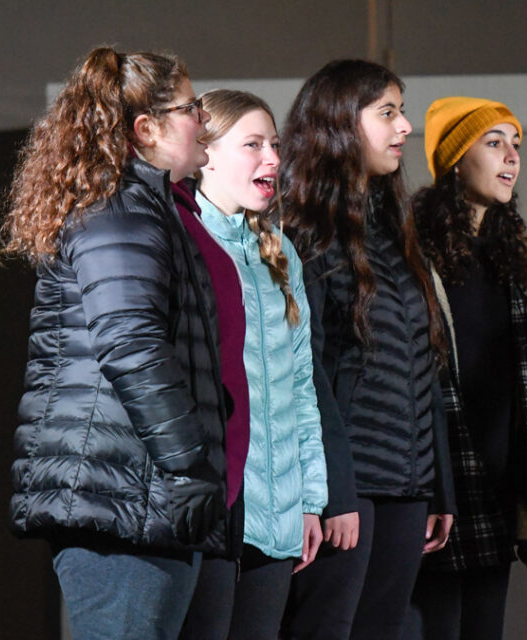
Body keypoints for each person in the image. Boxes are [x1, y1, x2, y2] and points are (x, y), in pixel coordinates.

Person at [1, 47, 238, 640]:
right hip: (122, 502)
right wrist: (188, 467)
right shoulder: (119, 212)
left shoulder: (145, 209)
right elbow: (131, 346)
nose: (204, 121)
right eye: (191, 109)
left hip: (139, 496)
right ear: (147, 129)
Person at [277, 59, 456, 640]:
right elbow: (311, 379)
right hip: (348, 489)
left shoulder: (396, 230)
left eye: (401, 112)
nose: (405, 127)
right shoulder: (305, 231)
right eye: (387, 113)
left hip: (407, 485)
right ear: (338, 124)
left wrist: (438, 485)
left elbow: (424, 362)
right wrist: (334, 494)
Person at [404, 97, 527, 640]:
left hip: (497, 482)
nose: (511, 157)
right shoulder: (413, 247)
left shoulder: (509, 253)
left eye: (516, 145)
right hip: (439, 480)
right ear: (452, 160)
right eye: (493, 144)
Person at [176, 89, 328, 640]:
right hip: (214, 510)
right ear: (205, 153)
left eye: (275, 145)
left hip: (280, 514)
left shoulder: (280, 250)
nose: (272, 159)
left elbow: (301, 386)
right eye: (253, 145)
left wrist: (311, 500)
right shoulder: (182, 243)